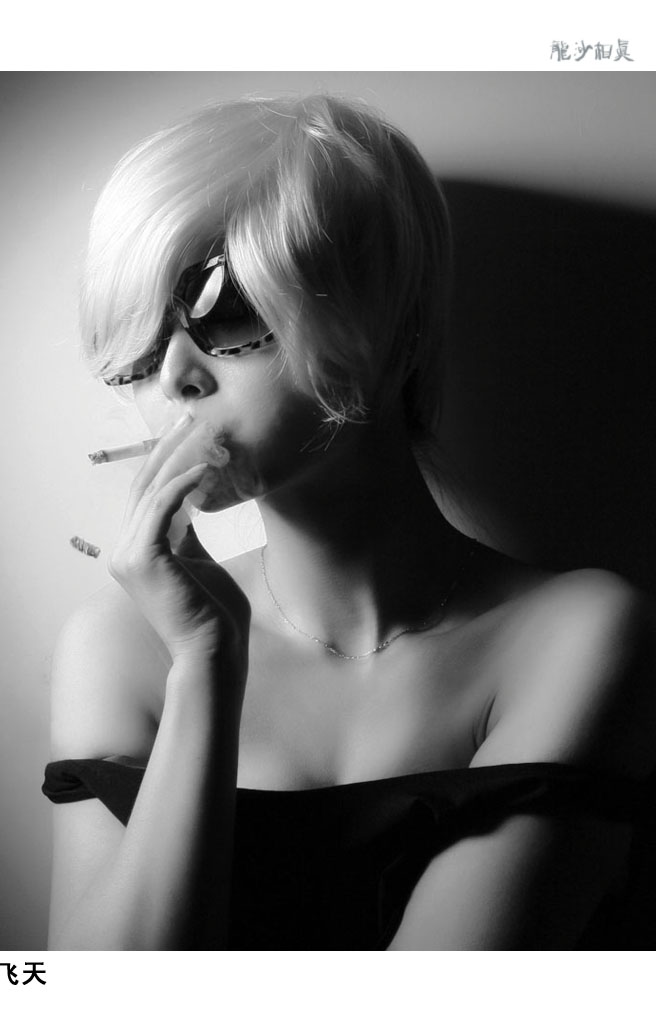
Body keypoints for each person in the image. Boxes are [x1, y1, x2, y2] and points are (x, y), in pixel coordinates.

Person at [43, 94, 655, 950]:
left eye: (228, 315)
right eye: (140, 348)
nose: (173, 379)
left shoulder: (577, 634)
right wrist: (205, 667)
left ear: (391, 326)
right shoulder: (121, 648)